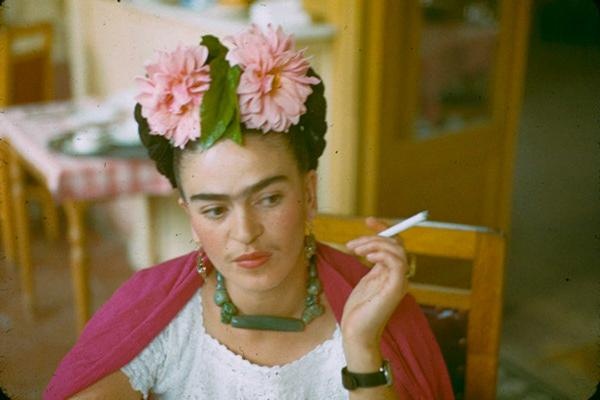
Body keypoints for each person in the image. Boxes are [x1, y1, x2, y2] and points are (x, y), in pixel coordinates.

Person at [44, 25, 454, 399]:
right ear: (190, 216)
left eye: (268, 199)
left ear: (309, 193)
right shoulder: (158, 316)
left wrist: (361, 345)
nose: (245, 232)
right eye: (214, 210)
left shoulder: (373, 306)